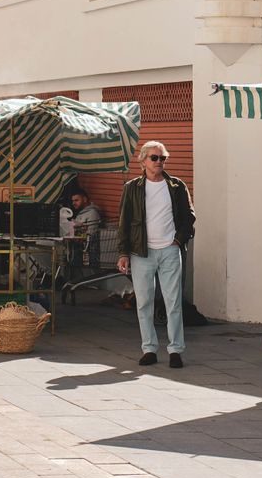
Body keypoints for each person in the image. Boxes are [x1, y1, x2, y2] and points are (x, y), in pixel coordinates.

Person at [116, 141, 195, 368]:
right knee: (144, 303)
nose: (159, 162)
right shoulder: (132, 188)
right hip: (141, 252)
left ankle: (175, 350)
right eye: (154, 158)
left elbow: (189, 217)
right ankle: (149, 349)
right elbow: (124, 222)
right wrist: (123, 253)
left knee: (173, 302)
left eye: (162, 158)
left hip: (170, 250)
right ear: (143, 161)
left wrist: (178, 240)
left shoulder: (176, 186)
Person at [69, 190, 104, 272]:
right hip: (78, 244)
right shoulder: (81, 213)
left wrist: (78, 232)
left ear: (84, 199)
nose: (73, 203)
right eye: (72, 201)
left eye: (76, 200)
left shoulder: (92, 213)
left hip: (88, 246)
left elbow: (92, 233)